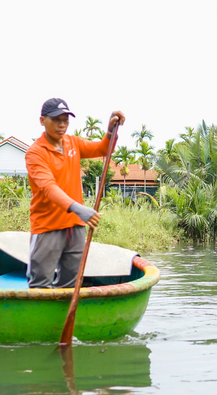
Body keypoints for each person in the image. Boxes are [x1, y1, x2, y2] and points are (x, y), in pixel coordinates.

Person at [25, 98, 125, 288]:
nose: (62, 125)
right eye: (56, 120)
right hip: (48, 227)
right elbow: (48, 187)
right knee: (40, 285)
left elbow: (103, 149)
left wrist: (111, 131)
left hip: (75, 227)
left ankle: (62, 317)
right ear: (42, 120)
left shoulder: (73, 143)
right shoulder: (35, 153)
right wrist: (79, 209)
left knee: (71, 285)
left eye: (65, 120)